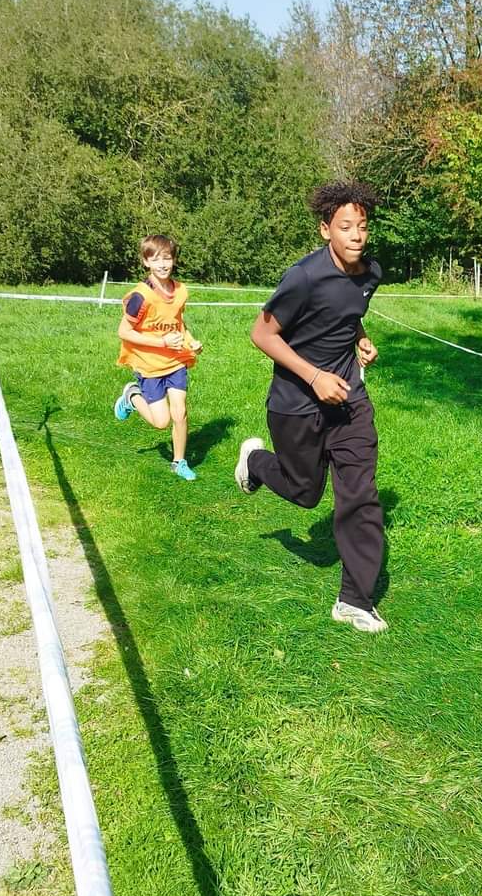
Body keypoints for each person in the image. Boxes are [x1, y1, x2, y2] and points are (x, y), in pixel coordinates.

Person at [235, 181, 387, 632]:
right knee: (305, 493)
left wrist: (360, 339)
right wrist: (315, 376)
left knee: (360, 495)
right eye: (345, 227)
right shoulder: (303, 277)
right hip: (296, 404)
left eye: (362, 226)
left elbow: (347, 312)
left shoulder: (371, 273)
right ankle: (256, 462)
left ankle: (354, 601)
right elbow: (262, 334)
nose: (356, 235)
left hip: (349, 401)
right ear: (325, 230)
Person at [113, 234, 203, 480]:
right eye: (155, 259)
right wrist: (161, 342)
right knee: (161, 422)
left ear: (174, 259)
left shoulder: (180, 291)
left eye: (167, 258)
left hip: (176, 361)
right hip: (149, 365)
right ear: (146, 262)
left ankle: (179, 462)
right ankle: (132, 396)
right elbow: (124, 331)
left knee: (180, 412)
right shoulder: (140, 297)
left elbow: (178, 323)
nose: (162, 264)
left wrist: (190, 342)